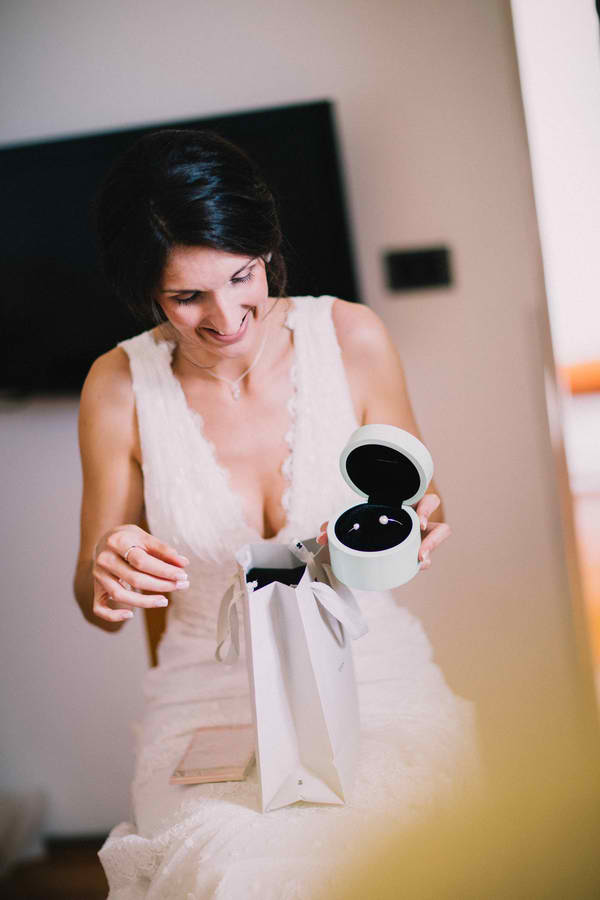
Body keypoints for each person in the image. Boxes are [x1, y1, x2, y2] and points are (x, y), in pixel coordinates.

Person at [74, 128, 483, 898]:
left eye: (242, 275)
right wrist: (110, 570)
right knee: (235, 868)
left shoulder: (352, 337)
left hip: (369, 669)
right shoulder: (117, 386)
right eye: (188, 296)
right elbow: (96, 601)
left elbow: (415, 496)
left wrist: (420, 523)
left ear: (267, 249)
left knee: (389, 854)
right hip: (205, 698)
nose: (227, 316)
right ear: (145, 291)